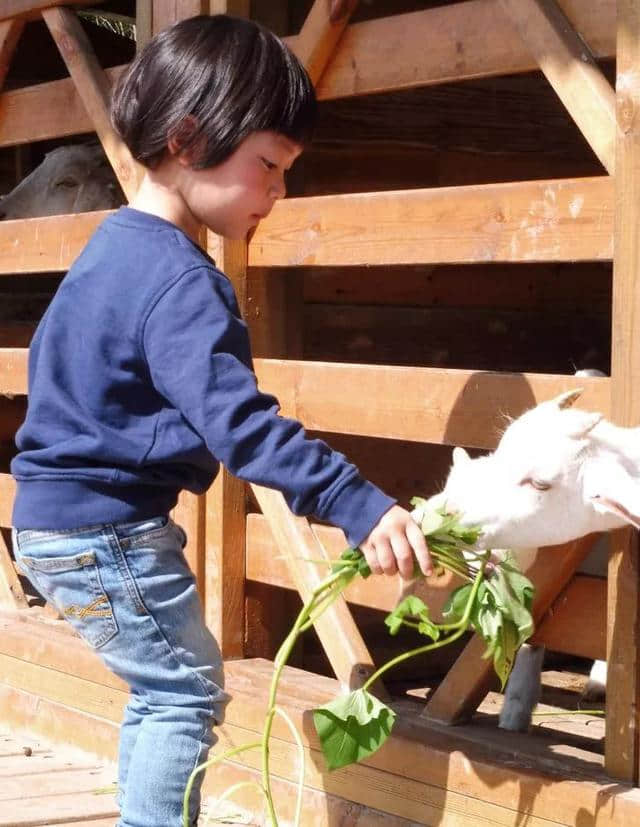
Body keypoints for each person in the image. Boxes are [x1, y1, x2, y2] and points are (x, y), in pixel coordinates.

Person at [10, 15, 432, 827]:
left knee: (163, 688)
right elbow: (243, 427)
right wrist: (359, 504)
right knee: (185, 689)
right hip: (109, 529)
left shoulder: (108, 253)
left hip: (57, 521)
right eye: (268, 165)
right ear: (188, 138)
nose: (279, 191)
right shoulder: (181, 283)